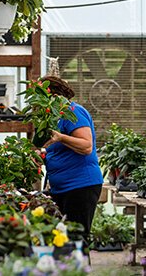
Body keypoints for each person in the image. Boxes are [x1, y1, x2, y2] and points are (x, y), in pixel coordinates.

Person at [41, 75, 104, 242]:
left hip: (80, 186)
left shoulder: (72, 112)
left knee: (76, 240)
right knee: (63, 240)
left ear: (53, 95)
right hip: (62, 188)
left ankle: (78, 268)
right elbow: (55, 149)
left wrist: (61, 138)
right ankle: (68, 268)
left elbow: (86, 145)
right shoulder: (52, 118)